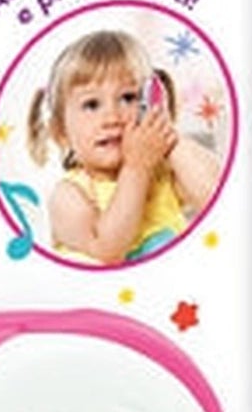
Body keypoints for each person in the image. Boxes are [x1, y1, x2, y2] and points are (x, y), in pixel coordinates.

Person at [26, 29, 221, 264]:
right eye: (92, 104)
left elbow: (218, 197)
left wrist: (166, 133)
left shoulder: (162, 176)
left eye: (128, 98)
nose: (112, 117)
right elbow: (106, 251)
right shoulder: (68, 195)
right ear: (62, 133)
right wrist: (136, 167)